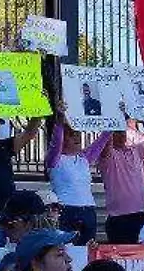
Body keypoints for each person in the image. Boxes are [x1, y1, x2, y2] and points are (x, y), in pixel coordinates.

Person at [98, 113, 144, 244]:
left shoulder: (136, 150)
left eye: (123, 132)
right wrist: (113, 115)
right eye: (117, 132)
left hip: (141, 215)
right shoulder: (108, 155)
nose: (122, 135)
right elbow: (105, 143)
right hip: (118, 219)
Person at [46, 102, 108, 244]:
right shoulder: (55, 158)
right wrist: (60, 119)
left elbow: (103, 139)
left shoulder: (84, 158)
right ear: (64, 138)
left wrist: (119, 116)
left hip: (88, 211)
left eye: (78, 135)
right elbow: (56, 141)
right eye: (72, 135)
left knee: (87, 253)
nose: (77, 138)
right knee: (68, 251)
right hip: (67, 211)